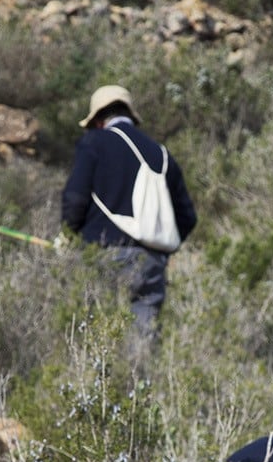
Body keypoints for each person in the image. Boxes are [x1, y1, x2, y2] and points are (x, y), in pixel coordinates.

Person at [59, 84, 198, 342]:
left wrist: (67, 235)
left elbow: (75, 197)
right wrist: (160, 248)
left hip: (103, 254)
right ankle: (137, 382)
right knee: (141, 342)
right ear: (131, 115)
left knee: (98, 334)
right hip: (151, 263)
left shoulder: (94, 142)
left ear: (98, 120)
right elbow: (188, 218)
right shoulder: (162, 155)